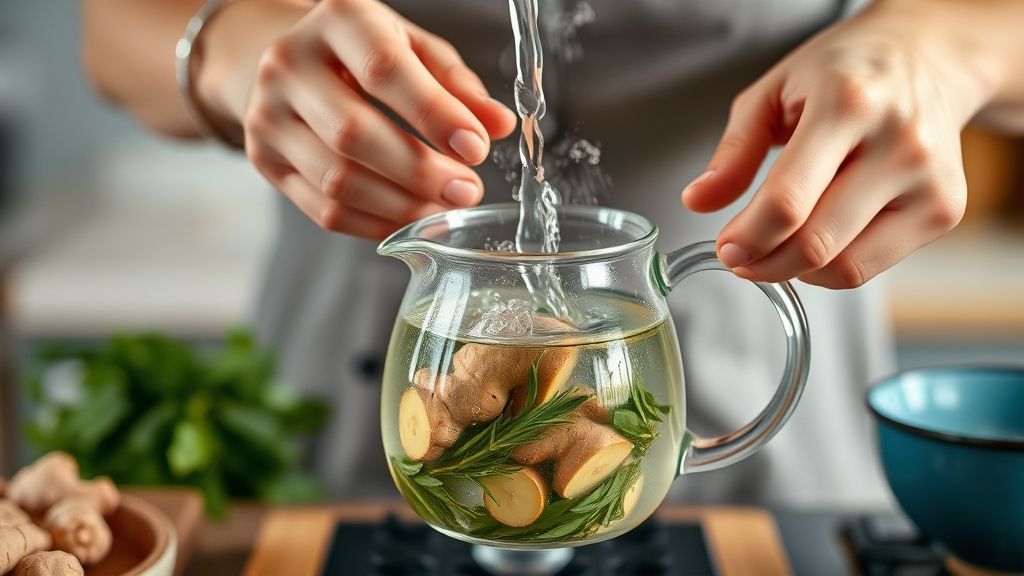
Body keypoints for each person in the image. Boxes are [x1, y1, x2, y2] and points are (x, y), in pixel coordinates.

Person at [81, 0, 1024, 507]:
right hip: (340, 427)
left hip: (772, 463)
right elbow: (110, 29)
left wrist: (935, 48)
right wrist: (234, 48)